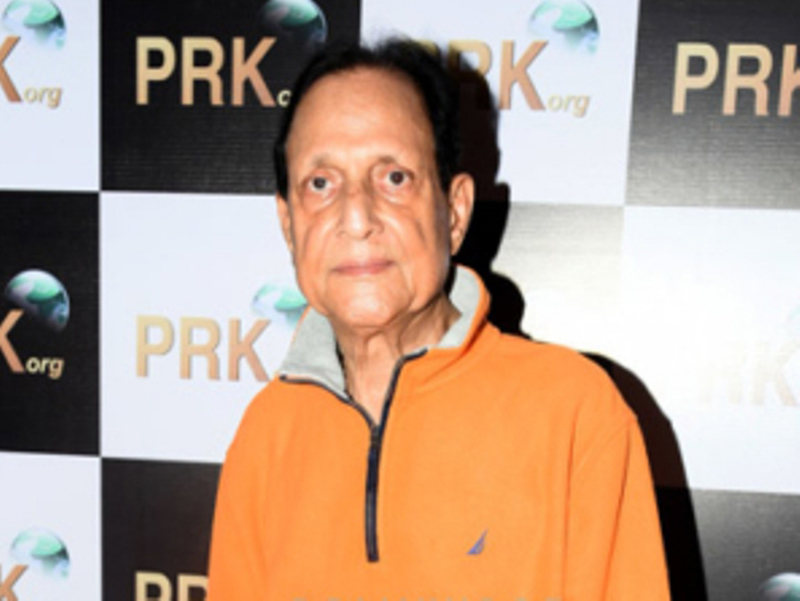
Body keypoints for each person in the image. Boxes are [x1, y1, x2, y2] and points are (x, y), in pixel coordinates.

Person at [207, 39, 670, 601]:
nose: (356, 216)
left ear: (454, 211)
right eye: (321, 184)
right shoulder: (266, 432)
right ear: (288, 224)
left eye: (394, 178)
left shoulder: (576, 413)